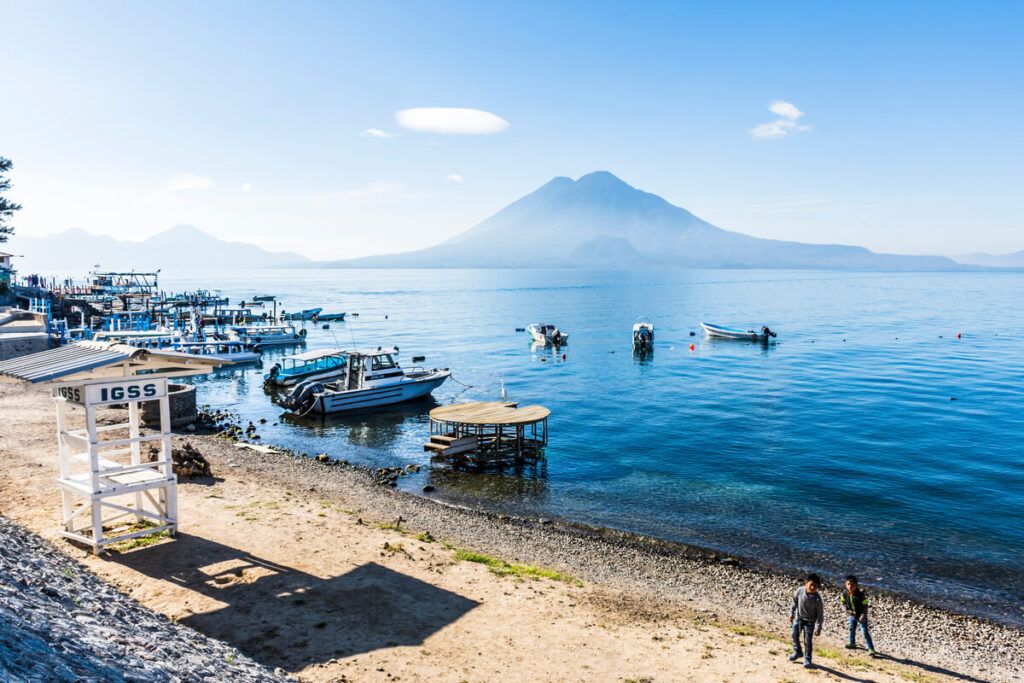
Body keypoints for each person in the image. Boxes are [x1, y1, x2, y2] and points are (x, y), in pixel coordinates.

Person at [788, 573, 825, 668]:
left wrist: (818, 627)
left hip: (809, 622)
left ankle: (807, 658)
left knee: (807, 641)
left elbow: (820, 615)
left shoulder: (817, 599)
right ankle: (797, 651)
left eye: (815, 586)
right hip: (798, 618)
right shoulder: (799, 591)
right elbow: (794, 603)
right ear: (806, 583)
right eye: (811, 584)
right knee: (794, 635)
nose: (813, 587)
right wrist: (791, 614)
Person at [842, 575, 877, 655]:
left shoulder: (860, 594)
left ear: (856, 585)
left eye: (852, 584)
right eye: (848, 584)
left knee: (864, 631)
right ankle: (852, 643)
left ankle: (871, 648)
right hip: (852, 615)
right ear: (845, 584)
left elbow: (865, 606)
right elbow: (843, 602)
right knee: (851, 628)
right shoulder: (845, 592)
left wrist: (863, 615)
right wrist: (846, 609)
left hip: (861, 615)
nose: (850, 586)